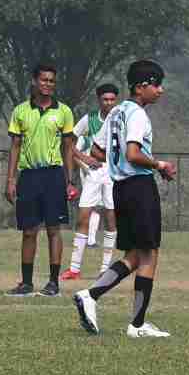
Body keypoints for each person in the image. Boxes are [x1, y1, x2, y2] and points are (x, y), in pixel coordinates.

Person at [73, 59, 177, 339]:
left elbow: (96, 151)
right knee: (150, 253)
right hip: (139, 188)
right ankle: (136, 323)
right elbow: (132, 153)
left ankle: (90, 295)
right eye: (157, 84)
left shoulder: (115, 113)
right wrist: (159, 165)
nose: (161, 90)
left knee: (134, 254)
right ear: (142, 86)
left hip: (120, 189)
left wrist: (116, 162)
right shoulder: (138, 115)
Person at [5, 64, 79, 296]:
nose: (48, 84)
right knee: (28, 231)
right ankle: (26, 283)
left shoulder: (63, 111)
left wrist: (70, 180)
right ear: (35, 82)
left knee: (53, 229)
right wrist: (10, 179)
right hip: (29, 176)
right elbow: (15, 146)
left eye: (52, 81)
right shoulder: (20, 111)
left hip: (54, 175)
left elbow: (68, 147)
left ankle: (53, 283)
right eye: (44, 80)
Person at [64, 82, 120, 281]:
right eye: (105, 99)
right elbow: (69, 141)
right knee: (83, 217)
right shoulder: (89, 119)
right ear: (99, 100)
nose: (109, 103)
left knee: (111, 219)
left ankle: (105, 269)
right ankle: (74, 269)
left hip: (113, 175)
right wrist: (84, 157)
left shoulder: (121, 120)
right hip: (93, 175)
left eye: (112, 99)